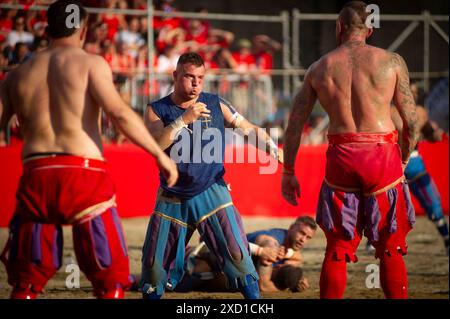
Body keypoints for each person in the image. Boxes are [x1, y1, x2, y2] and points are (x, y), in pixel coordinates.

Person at [0, 0, 178, 299]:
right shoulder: (91, 64)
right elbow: (119, 114)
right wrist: (160, 155)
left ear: (46, 27)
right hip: (84, 174)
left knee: (25, 281)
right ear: (82, 30)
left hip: (37, 173)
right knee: (109, 279)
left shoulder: (18, 74)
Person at [281, 1, 419, 299]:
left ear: (339, 27)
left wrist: (289, 171)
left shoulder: (319, 68)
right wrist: (405, 156)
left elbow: (294, 125)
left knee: (338, 246)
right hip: (382, 157)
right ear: (370, 29)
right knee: (390, 246)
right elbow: (411, 120)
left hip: (341, 158)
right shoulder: (392, 62)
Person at [141, 52, 283, 299]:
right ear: (175, 76)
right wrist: (183, 120)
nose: (195, 83)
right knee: (154, 266)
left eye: (200, 78)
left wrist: (269, 145)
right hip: (172, 195)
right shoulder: (156, 109)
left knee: (237, 254)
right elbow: (156, 145)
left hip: (212, 190)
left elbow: (247, 128)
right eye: (189, 77)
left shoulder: (216, 103)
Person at [174, 216, 317, 294]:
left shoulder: (288, 250)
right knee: (196, 270)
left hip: (217, 268)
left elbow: (297, 259)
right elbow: (264, 286)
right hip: (200, 259)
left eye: (308, 237)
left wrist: (295, 278)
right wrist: (286, 285)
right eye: (301, 233)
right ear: (291, 227)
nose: (302, 239)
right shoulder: (273, 241)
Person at [391, 83, 449, 255]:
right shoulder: (388, 112)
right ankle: (377, 240)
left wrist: (436, 133)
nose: (412, 95)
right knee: (389, 205)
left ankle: (446, 238)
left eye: (414, 92)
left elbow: (431, 135)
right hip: (393, 164)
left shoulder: (421, 112)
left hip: (413, 163)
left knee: (432, 203)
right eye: (409, 91)